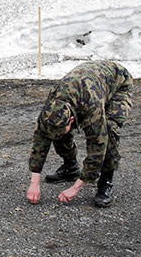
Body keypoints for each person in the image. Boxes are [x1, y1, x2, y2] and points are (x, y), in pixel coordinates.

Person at [25, 60, 132, 208]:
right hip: (90, 83)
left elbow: (98, 145)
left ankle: (105, 182)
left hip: (118, 83)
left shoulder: (91, 106)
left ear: (73, 119)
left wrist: (75, 188)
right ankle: (71, 168)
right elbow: (40, 140)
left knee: (109, 130)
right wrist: (34, 184)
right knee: (57, 132)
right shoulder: (51, 107)